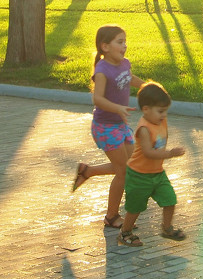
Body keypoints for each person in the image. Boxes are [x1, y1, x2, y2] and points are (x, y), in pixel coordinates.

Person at [71, 24, 145, 229]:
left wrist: (147, 86)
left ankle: (88, 171)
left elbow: (129, 78)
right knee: (123, 171)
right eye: (119, 42)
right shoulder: (102, 70)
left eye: (125, 41)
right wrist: (118, 108)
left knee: (129, 167)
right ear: (105, 46)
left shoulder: (124, 63)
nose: (124, 46)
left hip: (119, 124)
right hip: (105, 127)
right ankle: (111, 216)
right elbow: (98, 99)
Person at [117, 82, 186, 247]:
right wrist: (170, 154)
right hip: (139, 174)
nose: (164, 115)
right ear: (146, 109)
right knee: (135, 207)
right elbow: (148, 152)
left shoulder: (160, 120)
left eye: (165, 111)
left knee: (170, 199)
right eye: (160, 111)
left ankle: (166, 228)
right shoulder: (144, 129)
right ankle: (125, 232)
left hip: (157, 173)